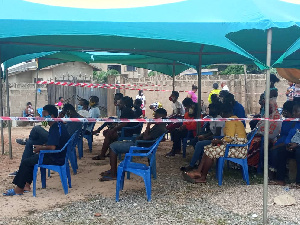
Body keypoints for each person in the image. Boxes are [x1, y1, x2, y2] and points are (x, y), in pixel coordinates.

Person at [3, 105, 70, 196]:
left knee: (26, 162)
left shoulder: (55, 128)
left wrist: (40, 148)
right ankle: (26, 185)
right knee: (30, 158)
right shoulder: (58, 125)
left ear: (52, 116)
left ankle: (19, 189)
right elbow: (55, 143)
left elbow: (52, 147)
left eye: (44, 116)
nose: (42, 118)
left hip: (54, 157)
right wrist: (42, 146)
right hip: (58, 155)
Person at [183, 104, 247, 184]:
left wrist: (218, 141)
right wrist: (219, 140)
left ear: (223, 113)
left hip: (237, 149)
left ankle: (203, 177)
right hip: (236, 146)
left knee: (210, 152)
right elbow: (230, 137)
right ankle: (198, 172)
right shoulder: (234, 119)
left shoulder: (230, 121)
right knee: (208, 148)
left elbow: (229, 138)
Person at [99, 108, 167, 181]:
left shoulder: (160, 128)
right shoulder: (159, 126)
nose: (154, 117)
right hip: (140, 144)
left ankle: (113, 174)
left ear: (161, 116)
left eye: (156, 115)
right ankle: (113, 170)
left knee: (112, 146)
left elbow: (146, 137)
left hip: (140, 147)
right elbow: (145, 136)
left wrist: (148, 125)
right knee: (115, 144)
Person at [181, 103, 225, 171]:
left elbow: (217, 133)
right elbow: (211, 131)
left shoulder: (219, 119)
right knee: (196, 140)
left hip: (218, 139)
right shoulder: (212, 118)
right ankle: (200, 161)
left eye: (211, 109)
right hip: (213, 137)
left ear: (216, 110)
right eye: (209, 109)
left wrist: (205, 138)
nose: (209, 111)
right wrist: (203, 136)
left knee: (199, 144)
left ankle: (192, 165)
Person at [269, 103, 300, 187]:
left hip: (298, 147)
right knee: (281, 151)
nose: (293, 113)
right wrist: (288, 144)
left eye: (296, 111)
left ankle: (298, 182)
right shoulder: (295, 123)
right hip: (293, 146)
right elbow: (290, 135)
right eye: (293, 111)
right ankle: (280, 179)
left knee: (298, 152)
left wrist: (297, 144)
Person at [247, 97, 282, 168]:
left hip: (271, 139)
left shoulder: (277, 116)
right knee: (248, 138)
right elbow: (258, 126)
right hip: (260, 135)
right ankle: (247, 163)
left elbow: (273, 133)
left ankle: (253, 165)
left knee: (255, 142)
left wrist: (261, 134)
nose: (266, 107)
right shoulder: (266, 115)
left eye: (268, 105)